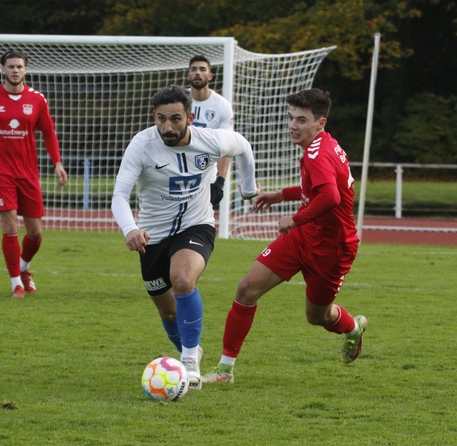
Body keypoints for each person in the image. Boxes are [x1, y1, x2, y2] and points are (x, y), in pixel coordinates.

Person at [202, 88, 366, 384]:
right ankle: (225, 370)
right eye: (290, 118)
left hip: (332, 249)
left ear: (321, 123)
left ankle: (352, 328)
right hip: (302, 237)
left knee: (317, 316)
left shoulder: (318, 153)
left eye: (301, 120)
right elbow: (317, 189)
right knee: (246, 289)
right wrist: (281, 195)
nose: (293, 125)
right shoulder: (323, 146)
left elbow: (329, 196)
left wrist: (294, 218)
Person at [111, 85, 259, 389]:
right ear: (154, 116)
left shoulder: (211, 140)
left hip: (197, 225)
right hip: (152, 235)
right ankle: (188, 351)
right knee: (167, 310)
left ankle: (190, 360)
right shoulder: (141, 145)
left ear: (190, 117)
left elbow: (242, 145)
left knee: (182, 280)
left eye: (176, 119)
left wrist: (248, 187)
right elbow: (120, 195)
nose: (168, 127)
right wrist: (130, 230)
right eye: (161, 119)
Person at [0, 49, 68, 298]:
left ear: (25, 70)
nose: (15, 70)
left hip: (28, 173)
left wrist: (57, 163)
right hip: (0, 172)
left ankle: (24, 268)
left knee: (35, 233)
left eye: (19, 66)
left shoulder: (37, 100)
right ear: (2, 70)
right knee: (9, 226)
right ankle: (16, 283)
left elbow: (48, 132)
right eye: (11, 67)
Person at [187, 55, 234, 207]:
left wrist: (220, 181)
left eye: (202, 69)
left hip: (207, 173)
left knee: (201, 223)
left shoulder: (222, 106)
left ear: (210, 76)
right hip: (178, 169)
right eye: (193, 69)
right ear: (188, 75)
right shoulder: (179, 100)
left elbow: (226, 145)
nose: (197, 73)